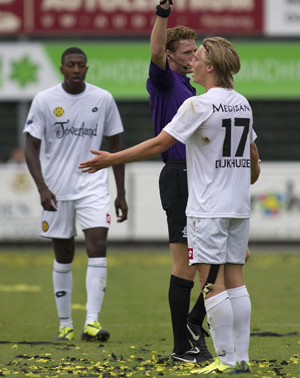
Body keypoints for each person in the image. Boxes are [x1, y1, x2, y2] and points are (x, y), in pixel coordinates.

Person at [79, 36, 260, 374]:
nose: (194, 60)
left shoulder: (199, 105)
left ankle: (225, 359)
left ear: (210, 67)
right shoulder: (242, 103)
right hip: (238, 207)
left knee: (211, 284)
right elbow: (253, 162)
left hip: (208, 207)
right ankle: (242, 358)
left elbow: (160, 143)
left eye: (199, 55)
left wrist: (112, 158)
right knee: (236, 279)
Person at [24, 47, 128, 342]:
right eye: (71, 65)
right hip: (56, 189)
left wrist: (121, 193)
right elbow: (30, 146)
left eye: (81, 65)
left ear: (87, 68)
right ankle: (65, 323)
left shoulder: (102, 99)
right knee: (64, 253)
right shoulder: (44, 101)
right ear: (62, 69)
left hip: (93, 186)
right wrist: (42, 187)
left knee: (98, 244)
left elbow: (116, 146)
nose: (76, 69)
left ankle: (92, 322)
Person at [146, 0, 212, 364]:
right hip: (178, 176)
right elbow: (155, 52)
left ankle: (192, 326)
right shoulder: (166, 81)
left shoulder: (190, 88)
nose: (191, 57)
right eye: (185, 52)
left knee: (222, 257)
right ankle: (183, 346)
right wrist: (162, 13)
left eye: (193, 51)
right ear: (171, 56)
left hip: (199, 177)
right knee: (186, 265)